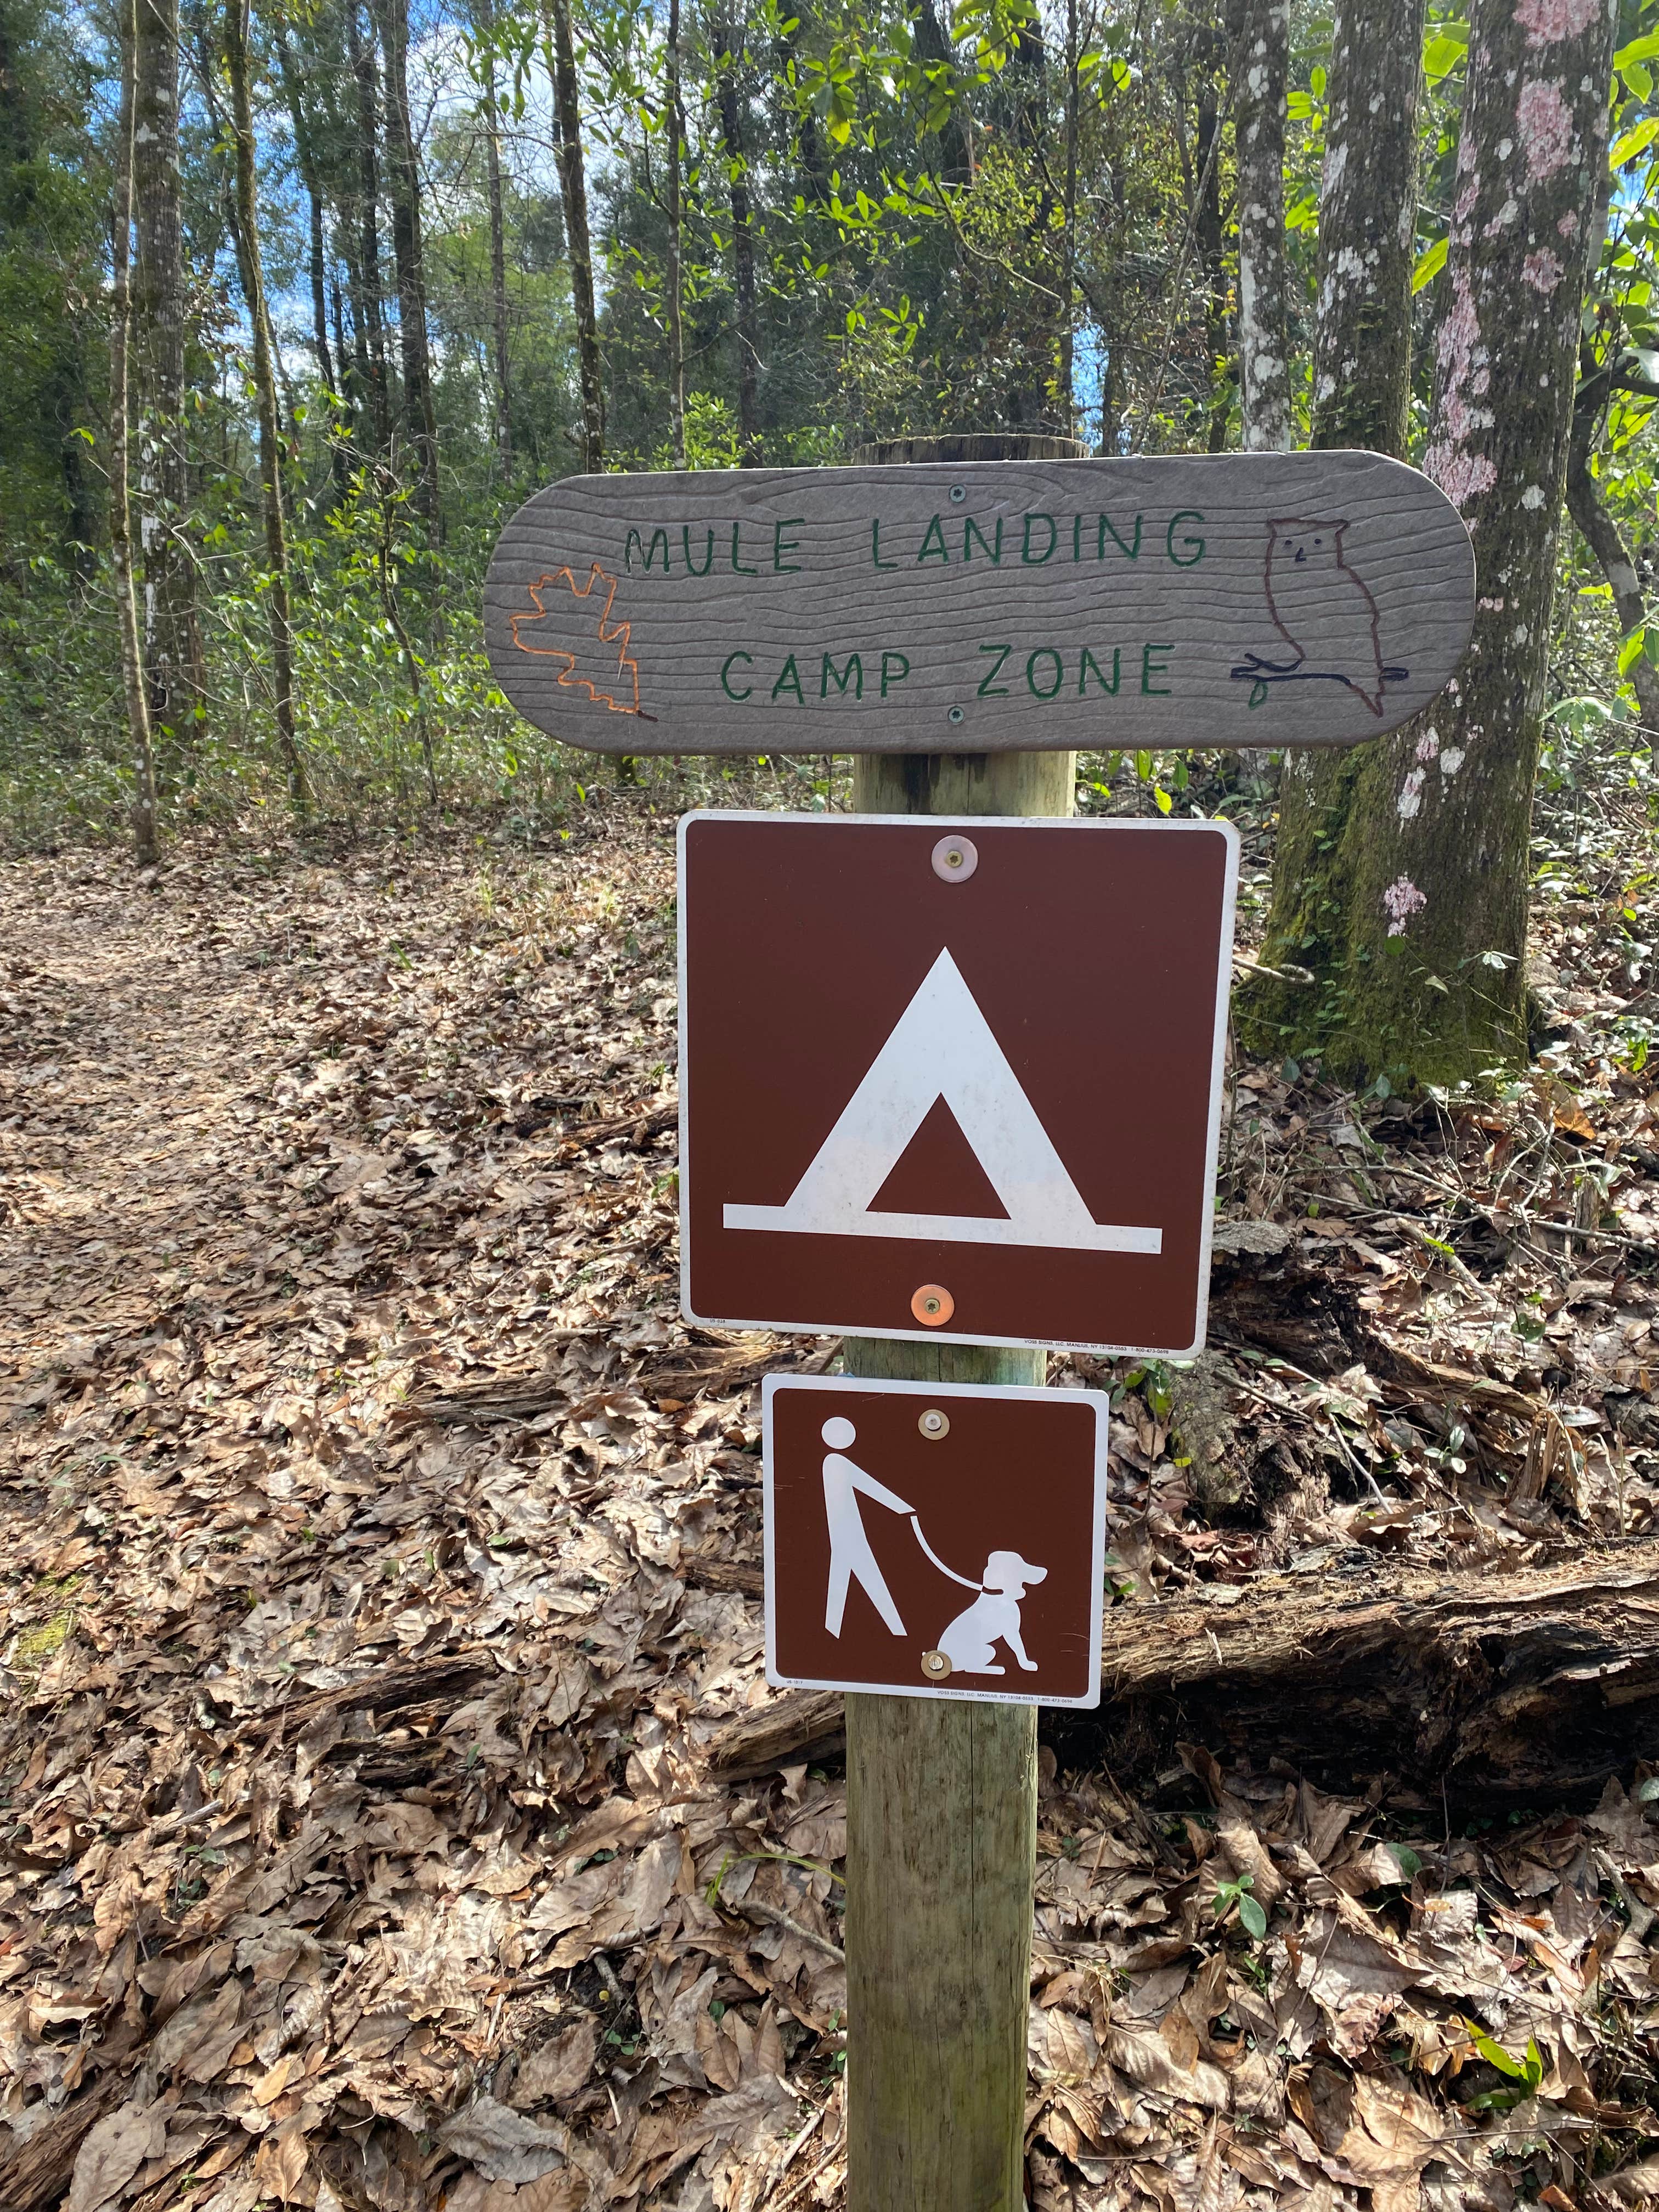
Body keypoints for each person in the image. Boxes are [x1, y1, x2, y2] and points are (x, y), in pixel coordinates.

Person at [820, 1415, 914, 1638]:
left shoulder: (831, 1461)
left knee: (842, 1583)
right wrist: (903, 1508)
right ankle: (900, 1634)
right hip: (848, 1534)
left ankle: (831, 1634)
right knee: (869, 1579)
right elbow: (869, 1486)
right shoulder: (836, 1462)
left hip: (844, 1534)